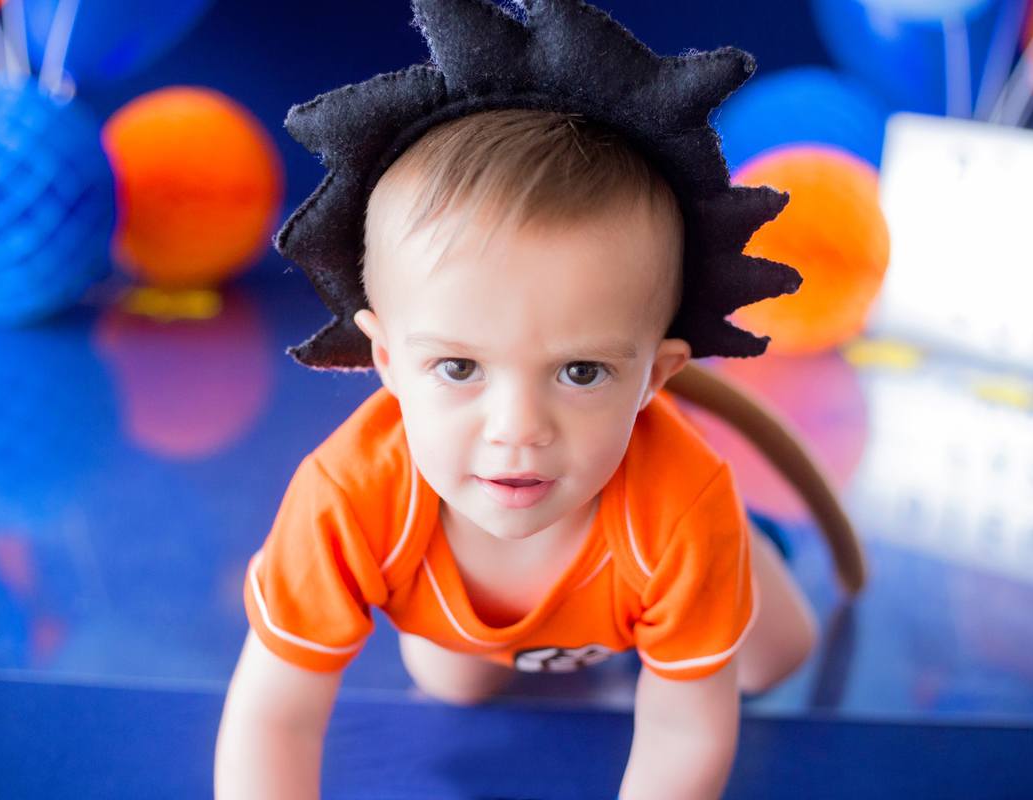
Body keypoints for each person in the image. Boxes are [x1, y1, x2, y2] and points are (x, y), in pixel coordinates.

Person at [216, 2, 861, 798]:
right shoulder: (345, 499)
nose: (518, 430)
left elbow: (685, 729)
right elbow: (274, 717)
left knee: (775, 659)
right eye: (459, 367)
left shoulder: (683, 508)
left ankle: (746, 549)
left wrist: (713, 547)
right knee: (454, 683)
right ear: (386, 360)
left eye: (581, 372)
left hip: (664, 556)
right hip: (467, 616)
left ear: (655, 378)